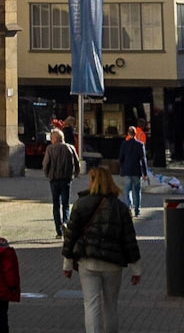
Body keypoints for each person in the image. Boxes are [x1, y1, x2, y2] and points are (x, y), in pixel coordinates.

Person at [62, 164, 141, 333]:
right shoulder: (121, 208)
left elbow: (71, 236)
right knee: (111, 306)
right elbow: (129, 239)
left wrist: (67, 263)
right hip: (112, 264)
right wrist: (136, 268)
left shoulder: (80, 204)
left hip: (87, 262)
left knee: (91, 305)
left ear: (92, 181)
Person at [43, 126, 79, 238]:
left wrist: (47, 174)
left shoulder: (50, 149)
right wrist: (75, 174)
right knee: (66, 204)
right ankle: (65, 223)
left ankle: (58, 231)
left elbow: (45, 164)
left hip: (54, 179)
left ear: (54, 139)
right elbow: (77, 163)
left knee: (56, 205)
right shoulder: (70, 148)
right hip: (66, 179)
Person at [116, 125, 148, 216]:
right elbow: (143, 159)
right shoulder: (140, 145)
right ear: (135, 134)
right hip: (137, 170)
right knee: (137, 191)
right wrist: (145, 173)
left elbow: (120, 158)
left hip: (127, 170)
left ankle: (128, 207)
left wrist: (122, 169)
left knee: (127, 190)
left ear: (128, 134)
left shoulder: (124, 144)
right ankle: (137, 210)